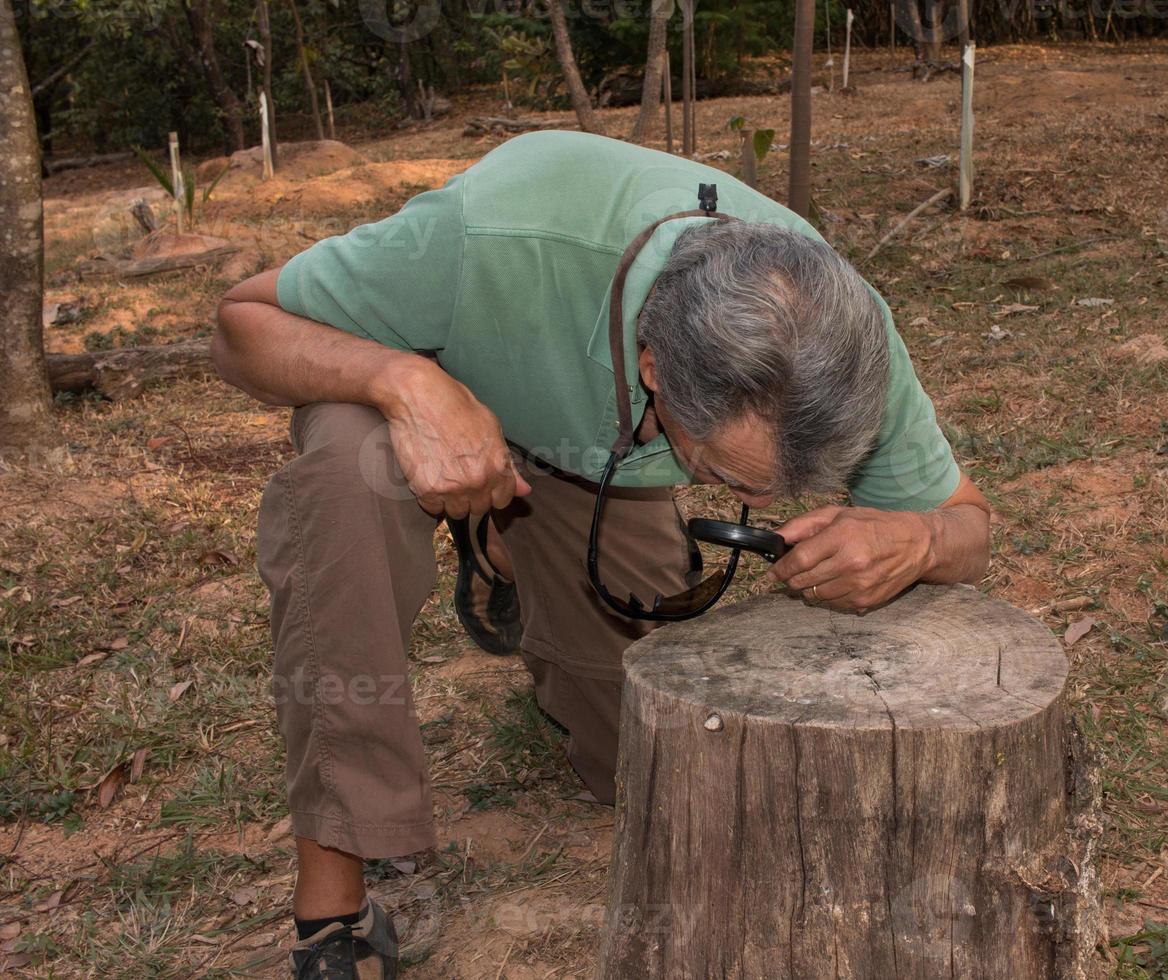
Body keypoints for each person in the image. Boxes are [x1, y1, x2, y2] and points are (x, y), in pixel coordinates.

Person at [213, 131, 991, 978]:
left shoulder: (842, 337)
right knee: (344, 484)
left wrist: (916, 539)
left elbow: (965, 523)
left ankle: (501, 544)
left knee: (645, 765)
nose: (766, 506)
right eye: (730, 476)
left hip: (589, 451)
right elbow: (242, 323)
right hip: (430, 389)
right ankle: (332, 900)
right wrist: (405, 386)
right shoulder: (486, 240)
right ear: (654, 367)